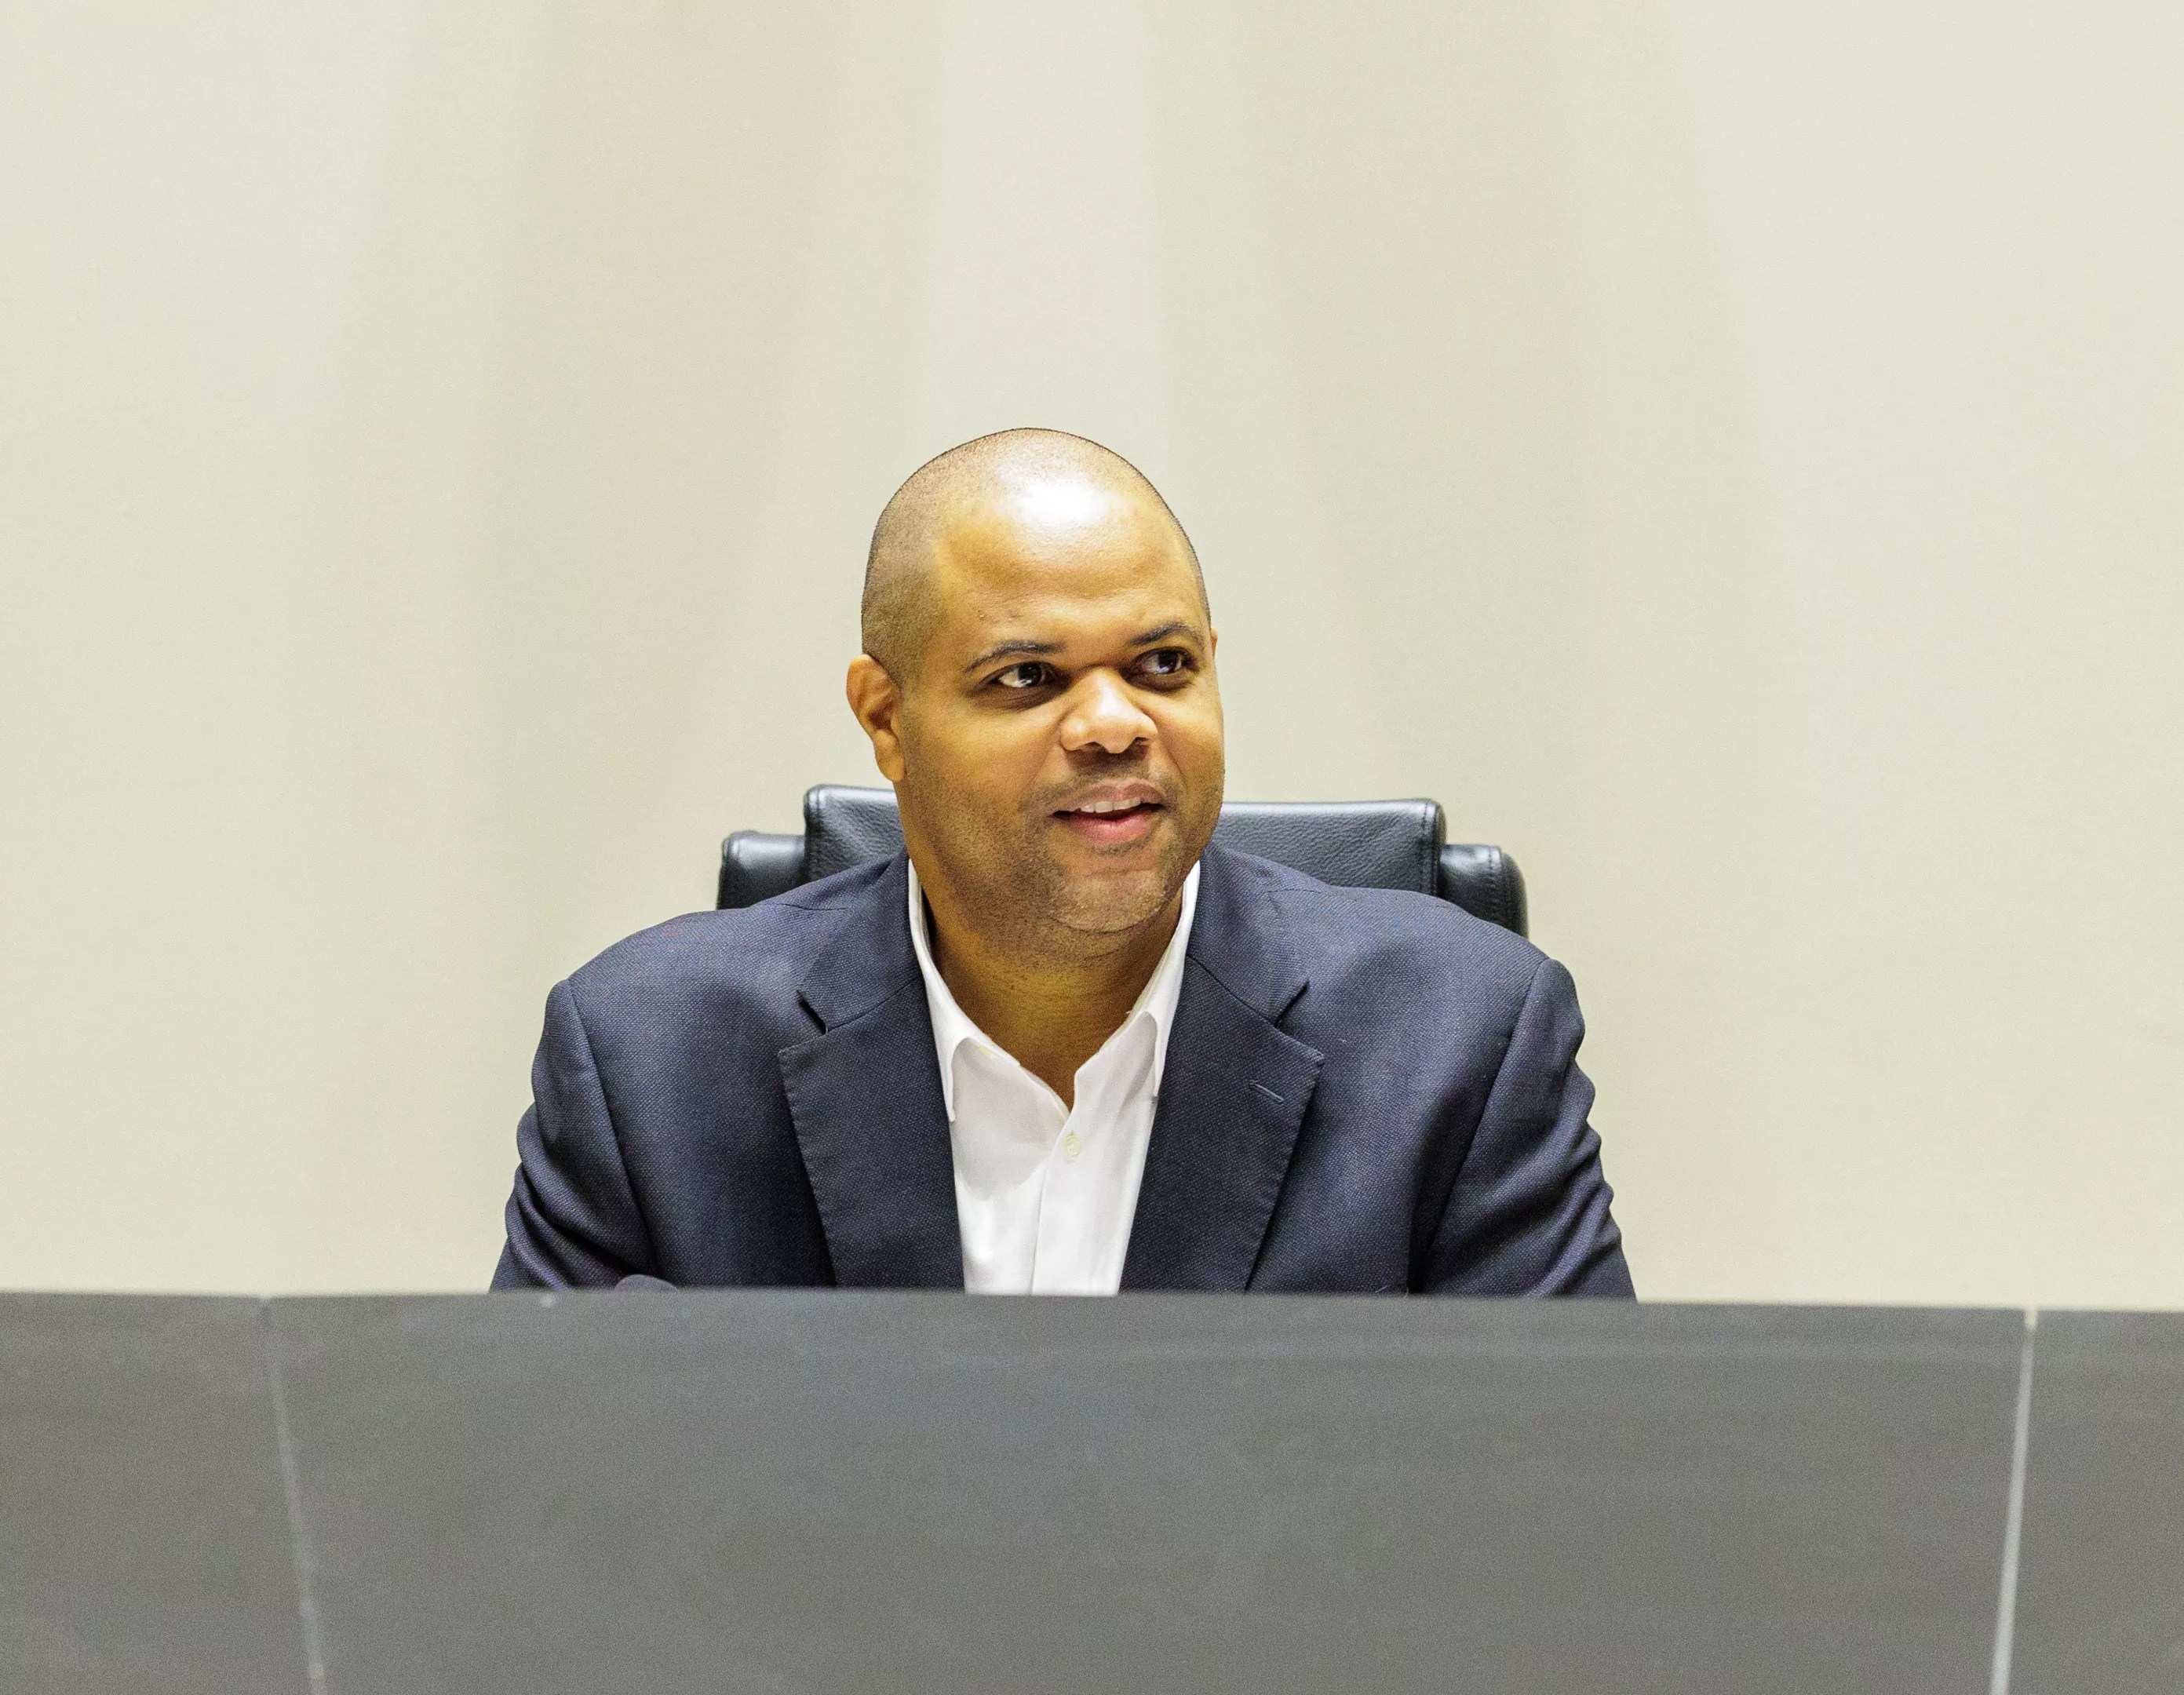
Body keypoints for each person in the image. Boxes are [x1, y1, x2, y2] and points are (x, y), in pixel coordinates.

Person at [493, 428, 1631, 1296]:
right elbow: (546, 1493)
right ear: (885, 718)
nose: (1115, 723)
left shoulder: (1461, 1043)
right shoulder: (649, 1064)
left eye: (1163, 665)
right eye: (1028, 678)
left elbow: (1556, 1488)